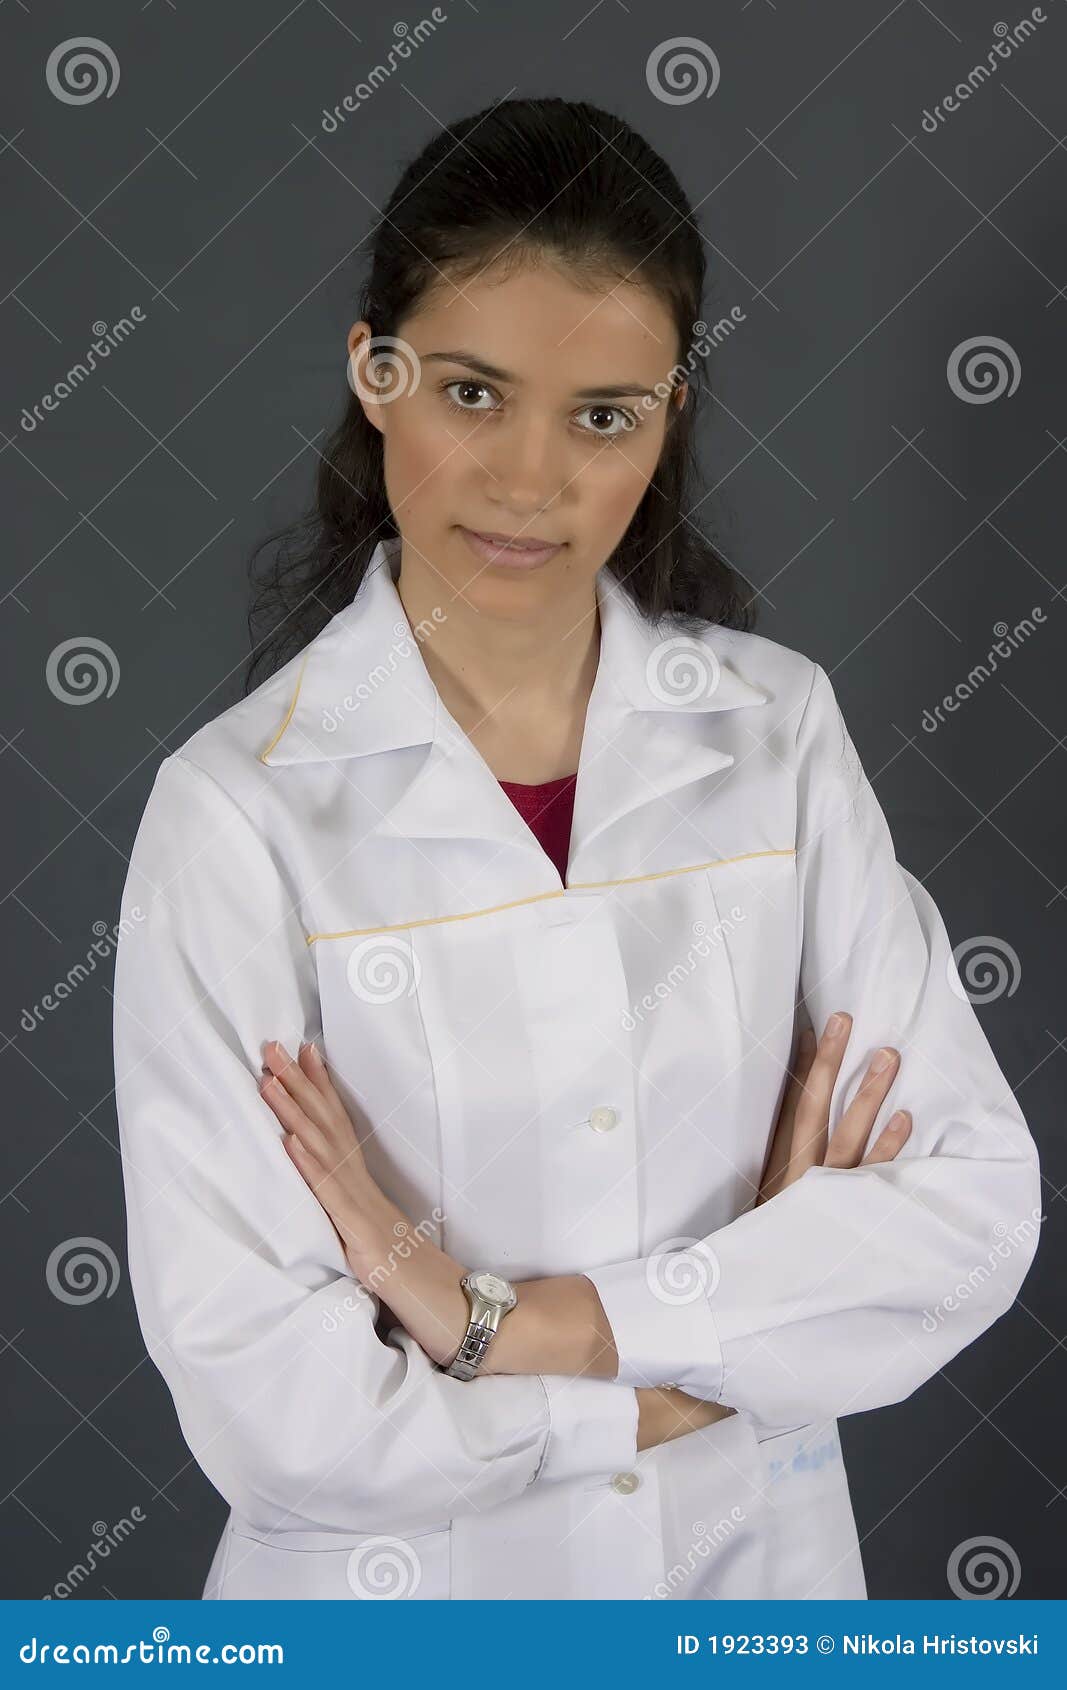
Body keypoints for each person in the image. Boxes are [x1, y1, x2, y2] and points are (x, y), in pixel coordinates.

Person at [112, 96, 1041, 1602]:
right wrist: (709, 1357)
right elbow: (270, 1403)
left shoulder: (778, 736)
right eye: (473, 393)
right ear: (374, 372)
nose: (533, 478)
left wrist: (491, 1322)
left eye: (603, 414)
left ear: (669, 415)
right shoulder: (239, 814)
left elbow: (967, 1219)